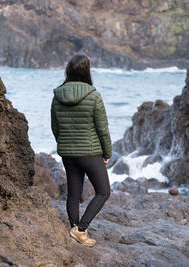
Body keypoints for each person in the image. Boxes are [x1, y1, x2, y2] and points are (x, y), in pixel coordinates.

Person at [51, 54, 112, 247]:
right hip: (90, 153)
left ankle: (75, 230)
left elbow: (55, 127)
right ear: (87, 71)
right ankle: (81, 229)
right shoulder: (93, 95)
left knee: (73, 195)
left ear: (68, 70)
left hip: (67, 153)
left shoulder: (57, 95)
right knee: (103, 192)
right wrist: (107, 153)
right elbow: (102, 128)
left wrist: (65, 144)